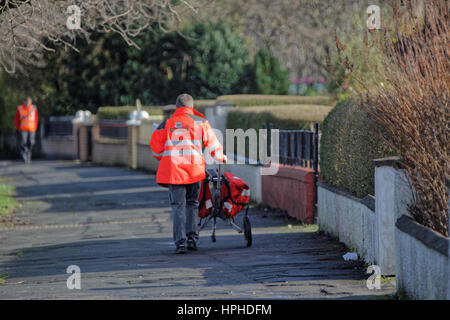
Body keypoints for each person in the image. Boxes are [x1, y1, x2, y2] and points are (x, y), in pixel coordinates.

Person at [150, 93, 227, 254]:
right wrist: (221, 157)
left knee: (178, 206)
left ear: (177, 108)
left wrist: (165, 156)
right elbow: (212, 144)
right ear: (191, 107)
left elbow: (156, 150)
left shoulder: (166, 124)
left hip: (174, 172)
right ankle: (192, 238)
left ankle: (180, 242)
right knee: (192, 204)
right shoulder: (200, 122)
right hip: (194, 171)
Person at [14, 97, 38, 164]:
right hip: (23, 129)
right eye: (26, 102)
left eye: (29, 102)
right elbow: (16, 119)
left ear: (31, 102)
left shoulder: (34, 108)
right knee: (23, 143)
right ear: (24, 102)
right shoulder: (20, 108)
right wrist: (18, 127)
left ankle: (28, 154)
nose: (27, 103)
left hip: (32, 128)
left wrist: (35, 127)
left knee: (31, 142)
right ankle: (24, 155)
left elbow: (36, 118)